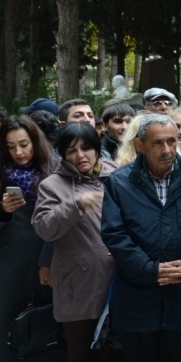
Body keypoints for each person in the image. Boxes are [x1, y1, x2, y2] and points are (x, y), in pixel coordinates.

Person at [101, 113, 181, 362]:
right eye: (158, 143)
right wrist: (148, 269)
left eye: (171, 141)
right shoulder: (119, 183)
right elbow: (114, 233)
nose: (167, 150)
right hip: (137, 298)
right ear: (139, 145)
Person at [32, 122, 118, 362]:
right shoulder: (52, 185)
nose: (80, 155)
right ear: (62, 154)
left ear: (97, 148)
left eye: (87, 147)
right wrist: (75, 204)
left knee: (113, 351)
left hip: (118, 279)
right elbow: (44, 228)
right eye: (71, 150)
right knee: (80, 352)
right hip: (77, 283)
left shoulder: (117, 174)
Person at [0, 116, 57, 362]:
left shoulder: (55, 169)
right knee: (7, 321)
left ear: (35, 141)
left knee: (45, 321)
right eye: (11, 147)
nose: (19, 152)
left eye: (24, 144)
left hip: (48, 256)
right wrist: (3, 211)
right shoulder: (3, 173)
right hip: (10, 261)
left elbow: (62, 221)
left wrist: (47, 259)